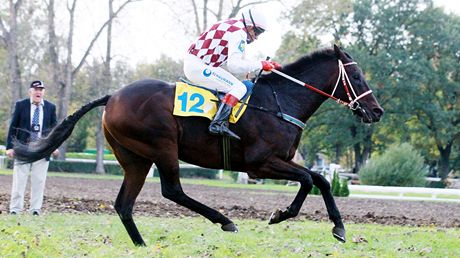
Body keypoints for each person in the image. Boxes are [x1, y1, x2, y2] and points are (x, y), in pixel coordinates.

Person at [184, 8, 281, 140]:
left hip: (198, 64)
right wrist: (260, 64)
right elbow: (234, 65)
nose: (256, 37)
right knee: (240, 88)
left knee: (236, 85)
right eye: (257, 32)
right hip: (199, 67)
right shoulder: (239, 33)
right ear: (250, 26)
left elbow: (237, 62)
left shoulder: (234, 24)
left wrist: (259, 65)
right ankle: (218, 123)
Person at [6, 80, 59, 215]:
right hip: (23, 149)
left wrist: (54, 147)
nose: (38, 92)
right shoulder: (21, 105)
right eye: (36, 89)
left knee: (39, 181)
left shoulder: (50, 107)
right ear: (30, 91)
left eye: (41, 89)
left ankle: (35, 209)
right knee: (19, 180)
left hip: (41, 150)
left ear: (43, 92)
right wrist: (9, 147)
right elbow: (12, 127)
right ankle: (15, 209)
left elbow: (54, 130)